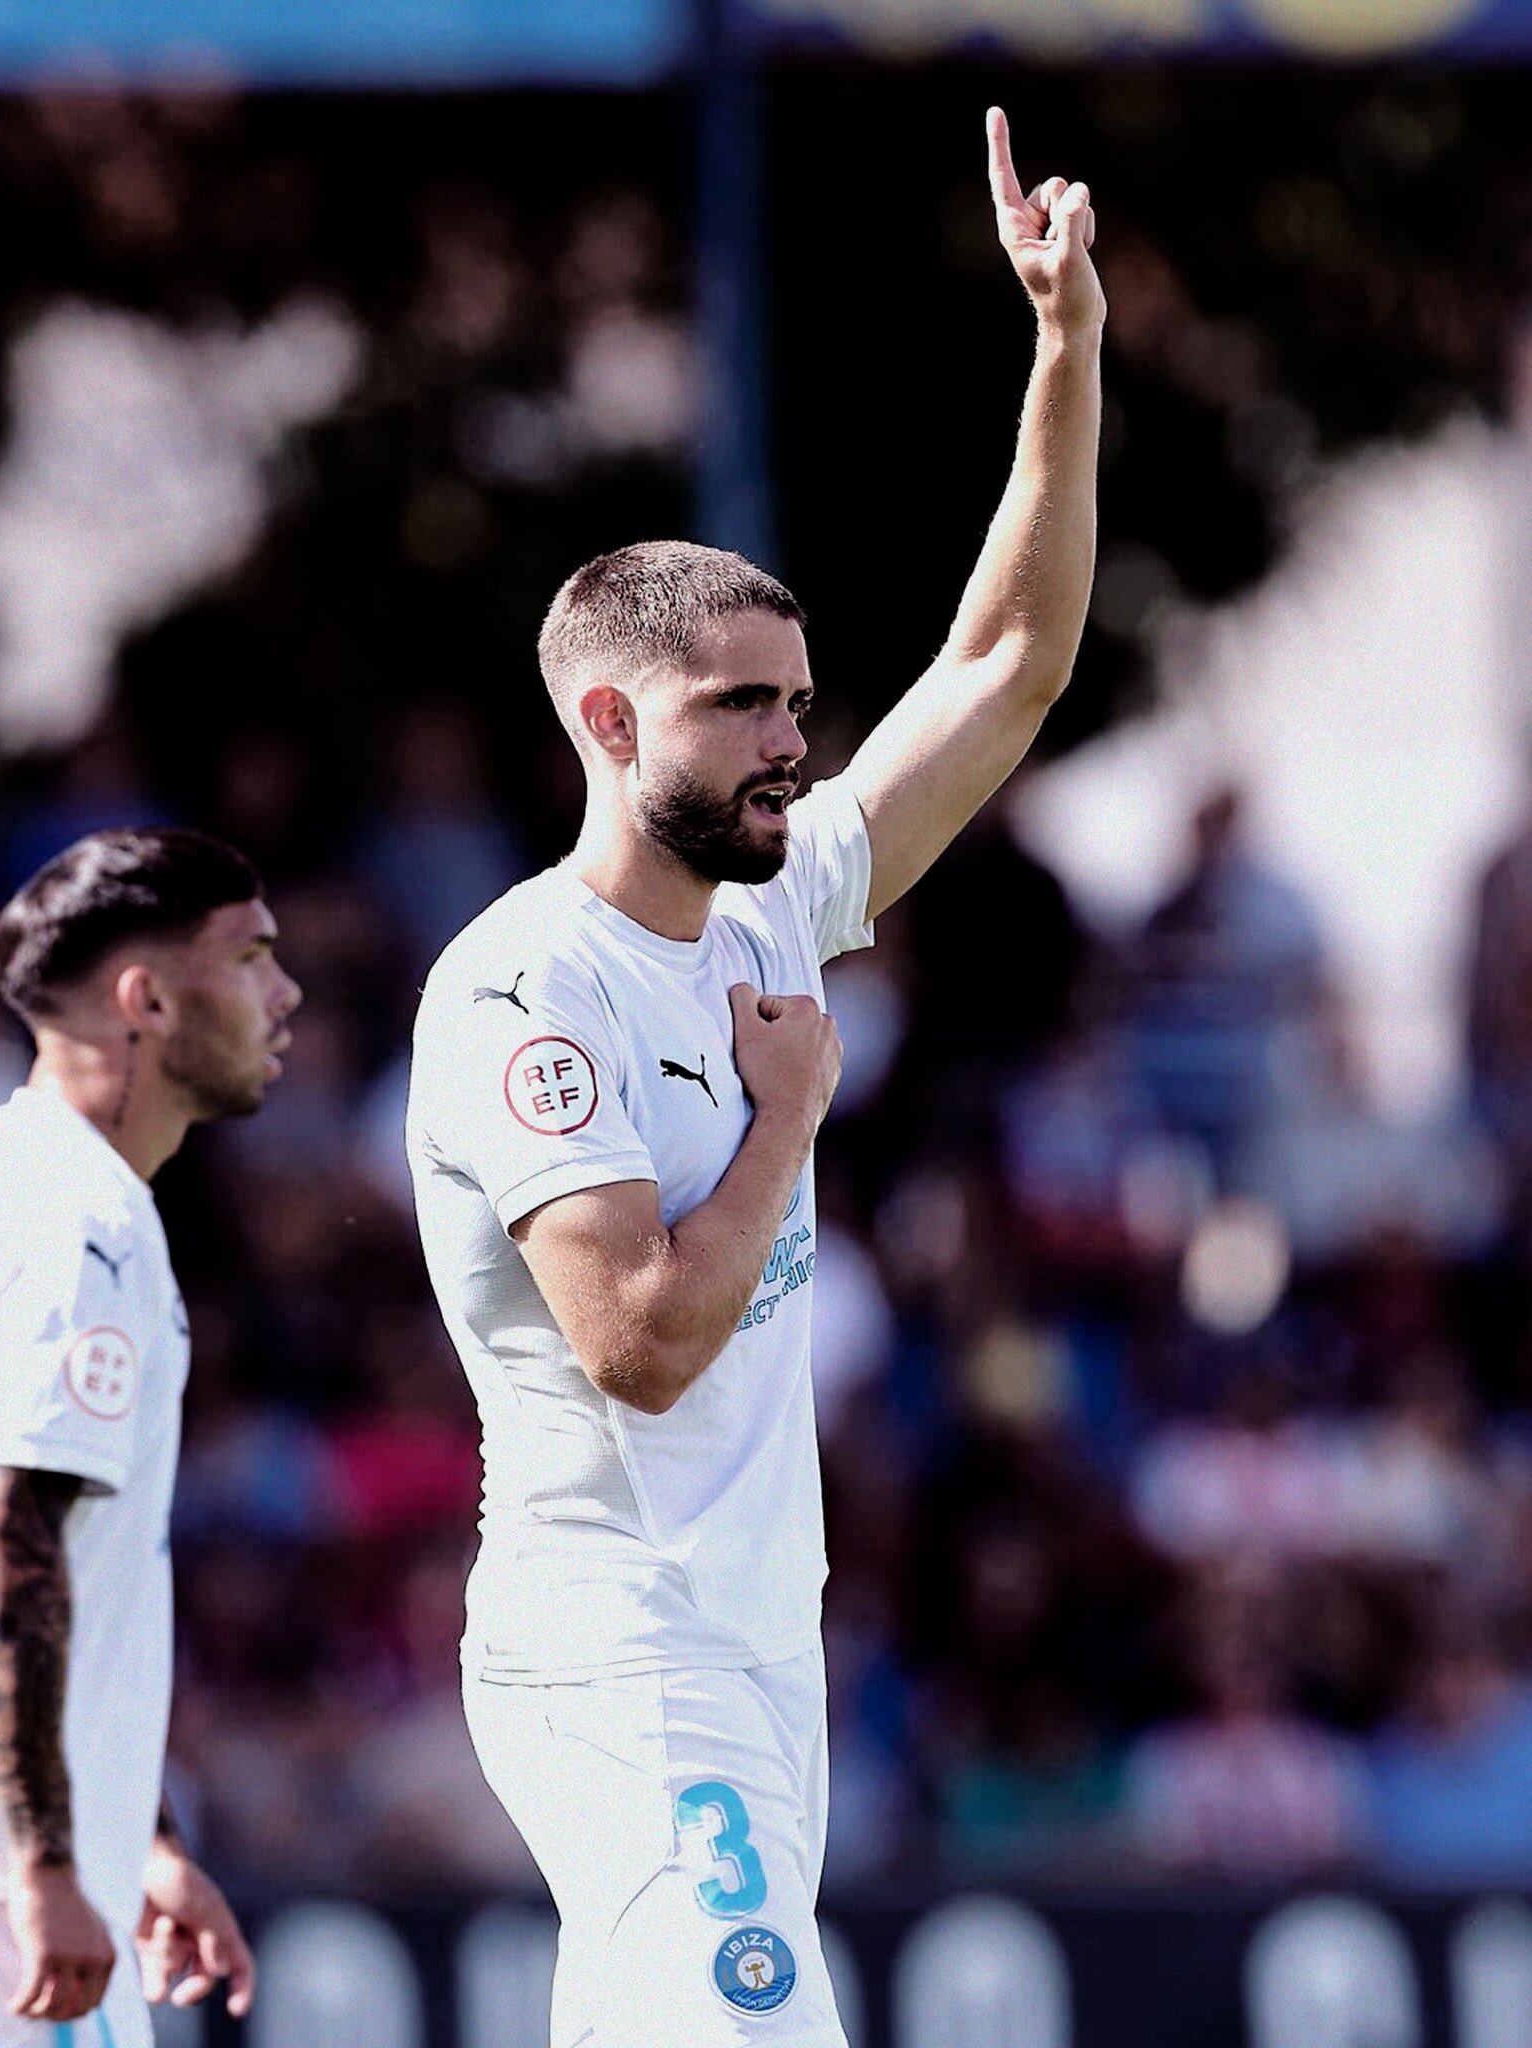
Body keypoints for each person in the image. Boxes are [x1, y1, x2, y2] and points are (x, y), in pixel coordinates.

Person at [406, 106, 1101, 2047]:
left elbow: (1016, 658)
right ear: (611, 717)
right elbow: (634, 1335)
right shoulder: (523, 990)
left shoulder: (771, 912)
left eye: (799, 698)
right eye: (745, 706)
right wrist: (794, 1110)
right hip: (620, 1649)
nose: (796, 743)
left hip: (751, 1643)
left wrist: (1066, 348)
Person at [0, 828, 300, 2046]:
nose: (285, 991)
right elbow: (7, 1534)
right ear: (149, 996)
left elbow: (64, 1570)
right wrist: (49, 1866)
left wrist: (143, 1838)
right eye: (252, 954)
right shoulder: (76, 1220)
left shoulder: (5, 1180)